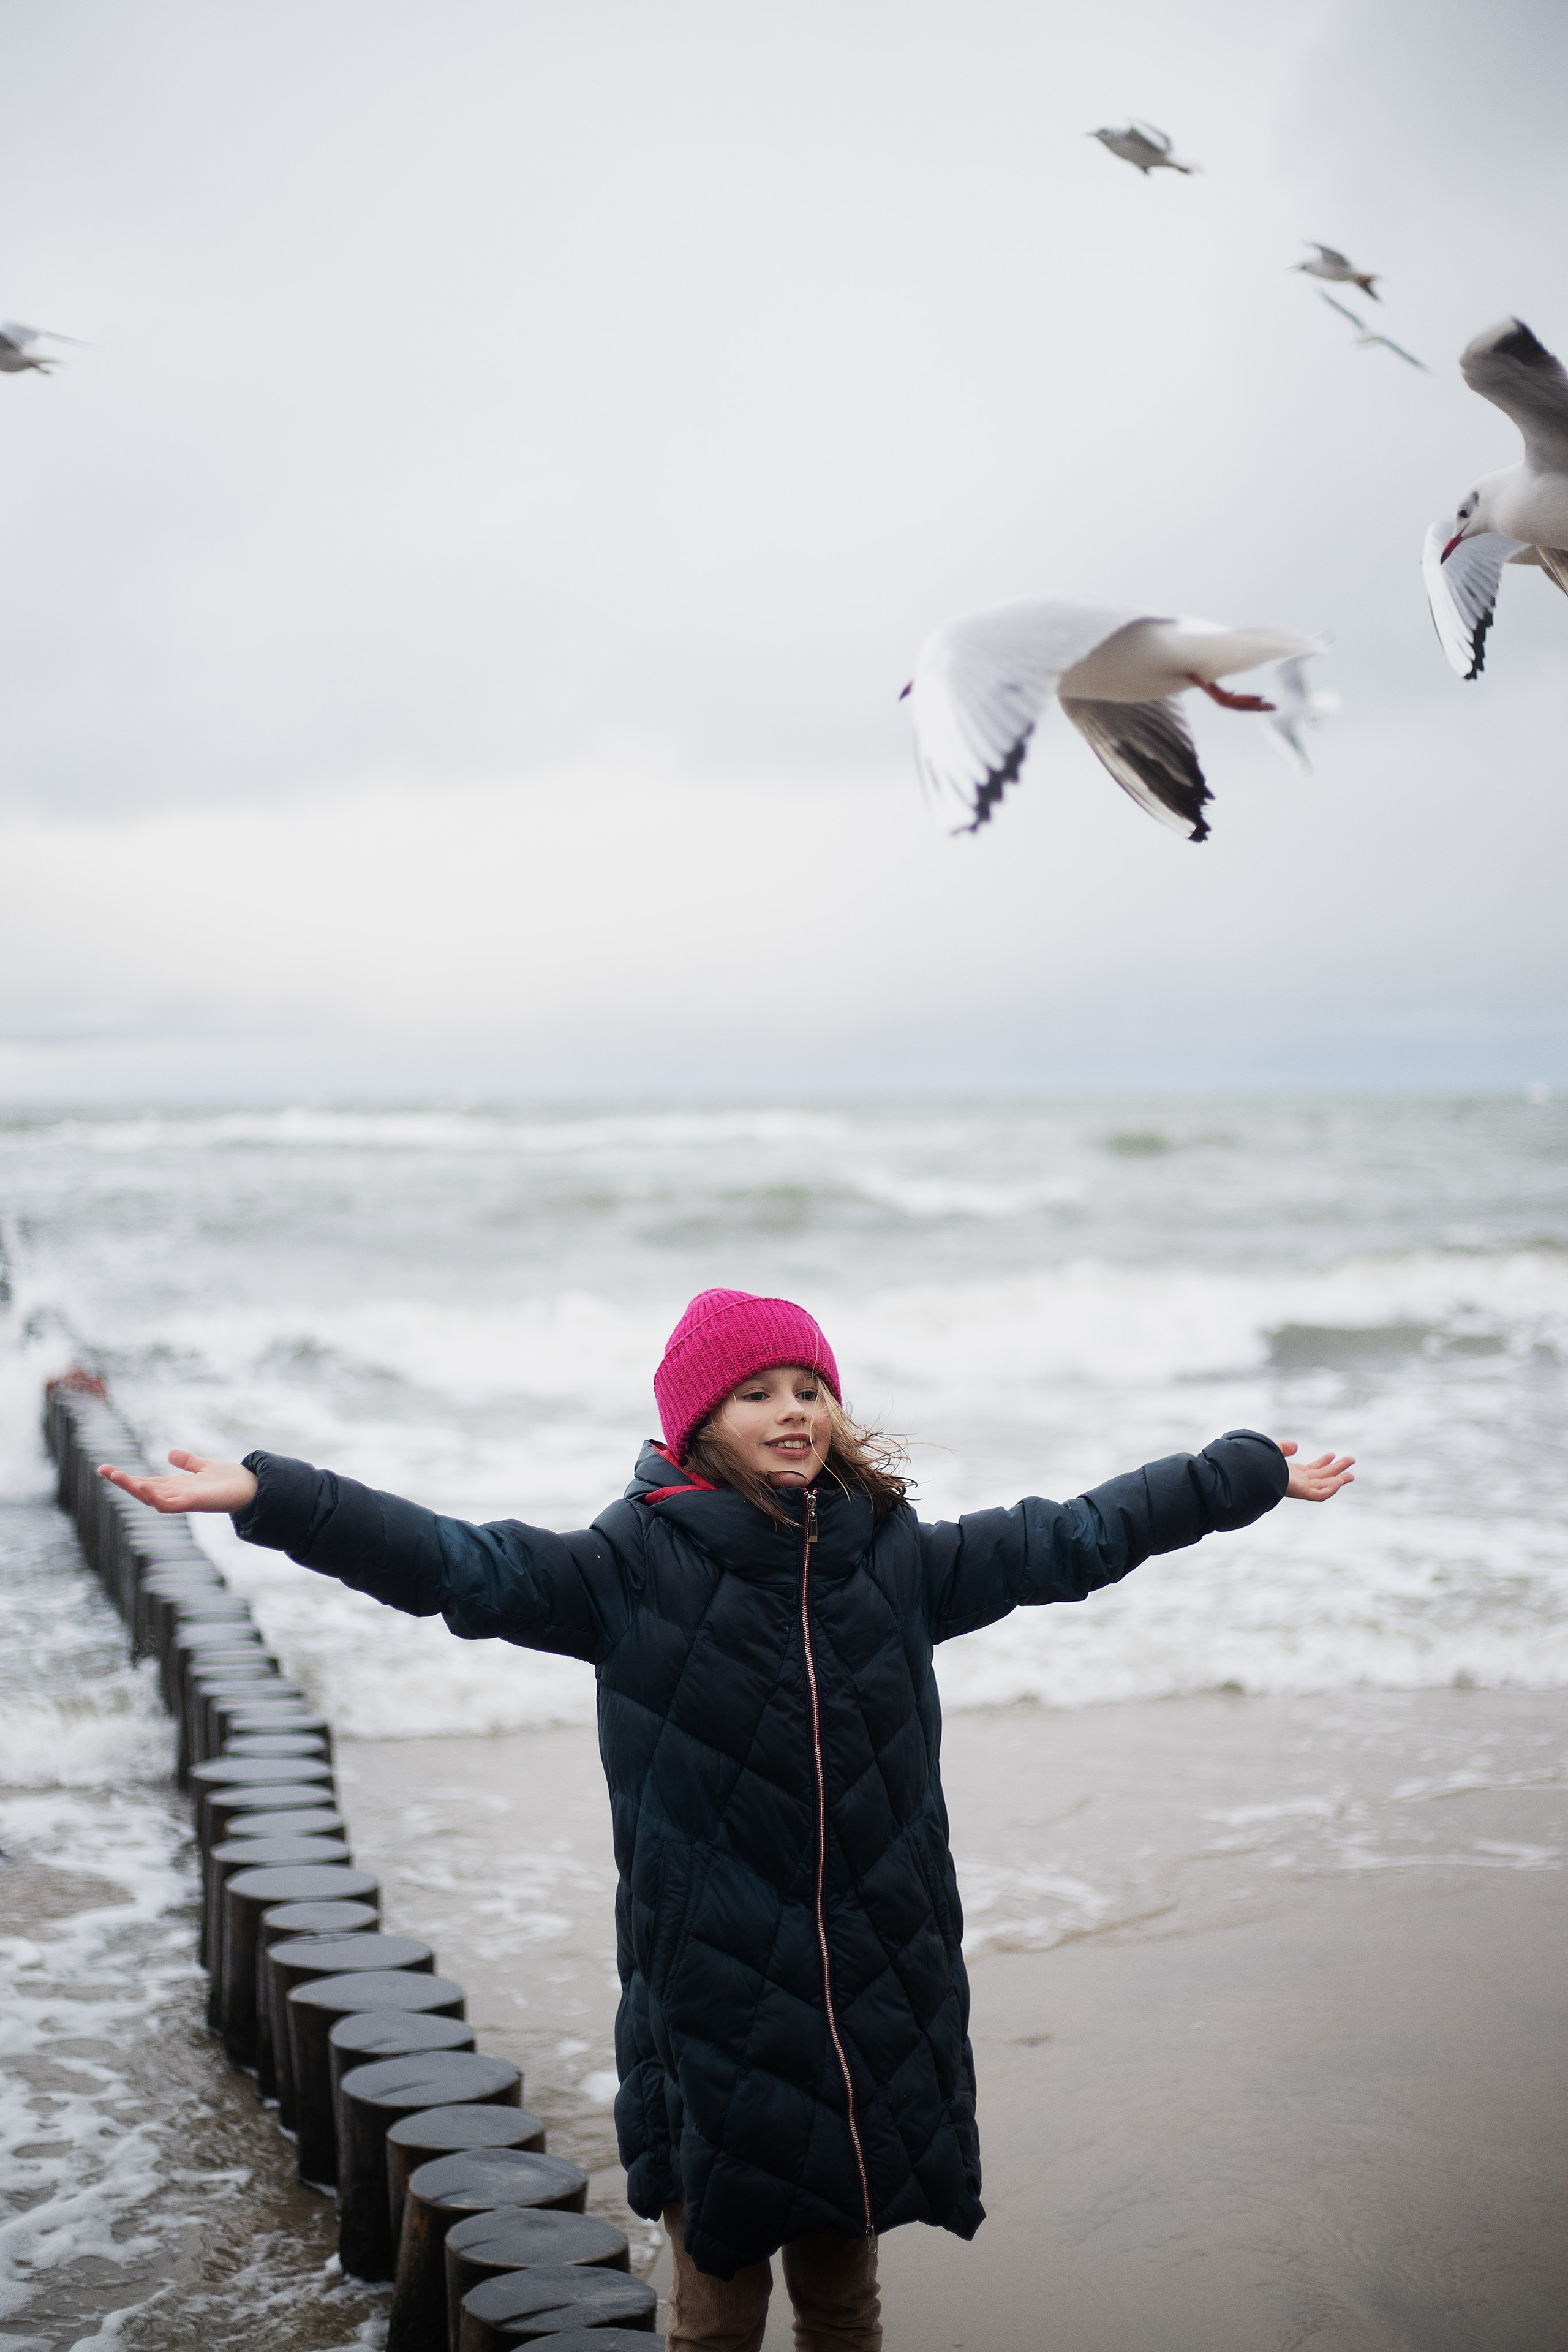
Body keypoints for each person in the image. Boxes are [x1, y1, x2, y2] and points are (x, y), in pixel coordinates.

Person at [100, 1286, 1353, 2352]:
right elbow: (453, 1563)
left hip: (875, 1981)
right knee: (716, 2299)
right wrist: (273, 1495)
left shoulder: (895, 1559)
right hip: (713, 1994)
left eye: (809, 1387)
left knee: (846, 2294)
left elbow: (1072, 1537)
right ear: (699, 1421)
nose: (793, 1410)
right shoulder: (624, 1572)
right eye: (758, 1392)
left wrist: (1240, 1476)